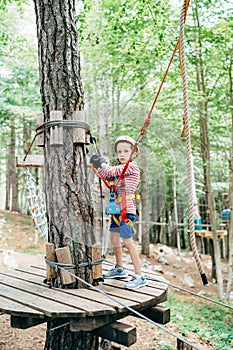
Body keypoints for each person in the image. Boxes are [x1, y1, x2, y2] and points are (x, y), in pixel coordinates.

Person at [90, 135, 147, 290]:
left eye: (126, 151)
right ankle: (119, 268)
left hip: (126, 211)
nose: (122, 154)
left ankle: (139, 275)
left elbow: (109, 172)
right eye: (119, 151)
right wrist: (97, 167)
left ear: (134, 153)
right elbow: (107, 177)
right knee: (114, 239)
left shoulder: (131, 167)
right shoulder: (121, 172)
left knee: (128, 242)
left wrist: (102, 163)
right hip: (116, 211)